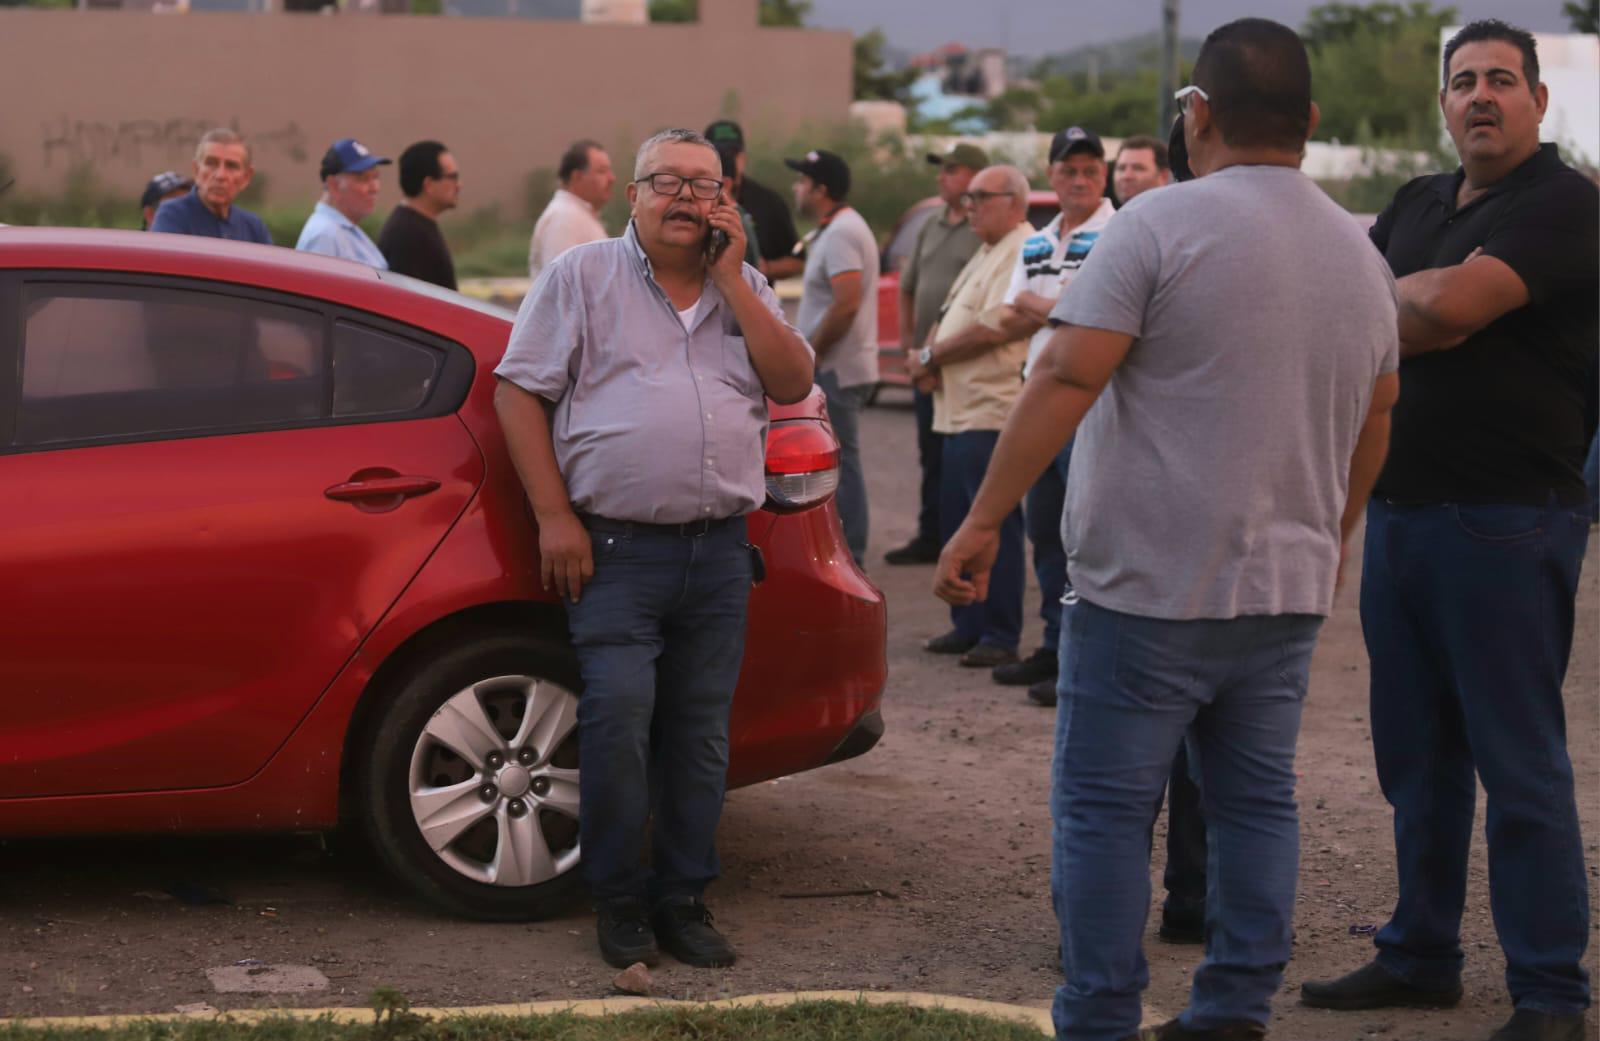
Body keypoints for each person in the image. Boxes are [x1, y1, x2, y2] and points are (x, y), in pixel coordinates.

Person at [936, 19, 1400, 1040]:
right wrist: (1333, 536)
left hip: (1143, 592)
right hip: (1280, 591)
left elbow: (1061, 373)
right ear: (1310, 122)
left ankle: (1100, 1016)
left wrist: (978, 524)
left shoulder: (1155, 226)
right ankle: (1232, 1010)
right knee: (1256, 809)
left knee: (1104, 813)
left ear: (1196, 115)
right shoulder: (1360, 253)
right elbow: (1375, 416)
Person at [1302, 21, 1597, 1041]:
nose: (1481, 95)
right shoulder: (1419, 204)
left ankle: (1551, 991)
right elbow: (1373, 311)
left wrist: (1402, 306)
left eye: (1502, 81)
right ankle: (1420, 953)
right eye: (1463, 80)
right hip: (1403, 517)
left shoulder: (1566, 207)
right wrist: (1403, 303)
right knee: (1414, 757)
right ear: (1441, 102)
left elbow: (1445, 314)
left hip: (1509, 524)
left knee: (1519, 762)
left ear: (1536, 101)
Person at [492, 128, 813, 972]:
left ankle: (683, 897)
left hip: (717, 553)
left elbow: (791, 383)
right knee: (619, 723)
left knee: (702, 735)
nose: (687, 199)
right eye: (667, 182)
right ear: (631, 194)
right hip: (613, 551)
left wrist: (735, 280)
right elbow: (518, 391)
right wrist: (553, 516)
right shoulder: (582, 276)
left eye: (706, 187)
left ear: (727, 204)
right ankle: (620, 901)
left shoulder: (743, 288)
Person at [992, 126, 1116, 700]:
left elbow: (1086, 313)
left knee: (1084, 535)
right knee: (1045, 532)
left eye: (1091, 168)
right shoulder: (1037, 241)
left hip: (1088, 406)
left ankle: (1079, 660)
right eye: (1069, 169)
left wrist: (1051, 305)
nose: (1081, 179)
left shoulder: (1117, 232)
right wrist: (1061, 305)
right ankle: (1052, 646)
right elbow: (1014, 303)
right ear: (1052, 175)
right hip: (1037, 398)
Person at [909, 165, 1035, 671]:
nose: (969, 207)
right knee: (959, 517)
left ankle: (1000, 631)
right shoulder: (989, 247)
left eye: (980, 197)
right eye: (968, 198)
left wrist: (930, 357)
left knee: (992, 522)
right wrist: (928, 357)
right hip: (958, 408)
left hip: (989, 407)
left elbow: (996, 327)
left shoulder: (1024, 248)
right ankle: (969, 622)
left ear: (1014, 201)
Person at [883, 142, 988, 567]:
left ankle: (960, 538)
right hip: (925, 363)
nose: (941, 177)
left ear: (975, 177)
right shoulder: (931, 224)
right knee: (931, 454)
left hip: (960, 366)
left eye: (951, 169)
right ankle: (931, 535)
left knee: (961, 457)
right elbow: (908, 287)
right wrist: (912, 351)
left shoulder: (983, 228)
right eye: (941, 170)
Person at [789, 148, 879, 566]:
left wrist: (814, 355)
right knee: (842, 461)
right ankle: (847, 552)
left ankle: (851, 556)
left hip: (836, 369)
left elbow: (845, 303)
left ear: (820, 189)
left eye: (802, 181)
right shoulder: (834, 229)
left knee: (842, 465)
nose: (796, 188)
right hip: (834, 366)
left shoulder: (843, 232)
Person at [705, 120, 802, 279]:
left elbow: (797, 260)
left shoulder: (769, 202)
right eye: (716, 155)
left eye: (731, 154)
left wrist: (765, 268)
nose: (722, 161)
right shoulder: (695, 203)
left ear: (743, 158)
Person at [149, 129, 271, 244]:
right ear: (196, 170)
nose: (220, 175)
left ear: (246, 177)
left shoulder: (253, 227)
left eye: (231, 166)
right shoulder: (173, 215)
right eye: (211, 163)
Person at [295, 138, 391, 267]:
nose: (375, 188)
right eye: (363, 179)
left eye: (375, 177)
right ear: (333, 185)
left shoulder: (340, 229)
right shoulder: (324, 236)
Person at [528, 139, 614, 282]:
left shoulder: (577, 215)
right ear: (577, 177)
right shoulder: (563, 218)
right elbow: (561, 287)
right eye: (602, 171)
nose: (612, 178)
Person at [378, 140, 460, 290]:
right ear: (428, 184)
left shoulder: (416, 225)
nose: (458, 185)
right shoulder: (406, 235)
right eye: (452, 177)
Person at [1111, 134, 1172, 207]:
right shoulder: (1109, 217)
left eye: (1138, 168)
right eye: (1121, 168)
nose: (1126, 176)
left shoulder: (1179, 216)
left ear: (1163, 176)